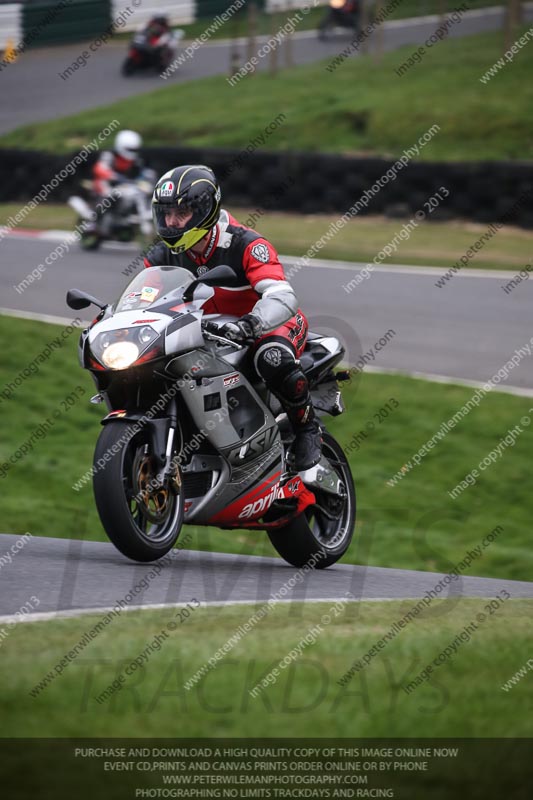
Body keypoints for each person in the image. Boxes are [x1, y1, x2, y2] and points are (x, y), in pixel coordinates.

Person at [143, 164, 322, 471]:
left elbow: (283, 296)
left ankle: (308, 428)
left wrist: (251, 323)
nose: (171, 223)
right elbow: (144, 302)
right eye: (166, 214)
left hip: (266, 326)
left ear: (205, 210)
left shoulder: (246, 244)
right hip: (210, 336)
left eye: (181, 213)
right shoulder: (161, 256)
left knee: (272, 357)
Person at [91, 130, 144, 236]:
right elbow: (99, 168)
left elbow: (142, 172)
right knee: (107, 195)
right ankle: (93, 222)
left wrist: (145, 179)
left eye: (135, 149)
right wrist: (112, 176)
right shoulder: (109, 155)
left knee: (138, 193)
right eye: (130, 149)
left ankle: (125, 219)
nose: (133, 152)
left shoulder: (136, 160)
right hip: (106, 183)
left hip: (124, 186)